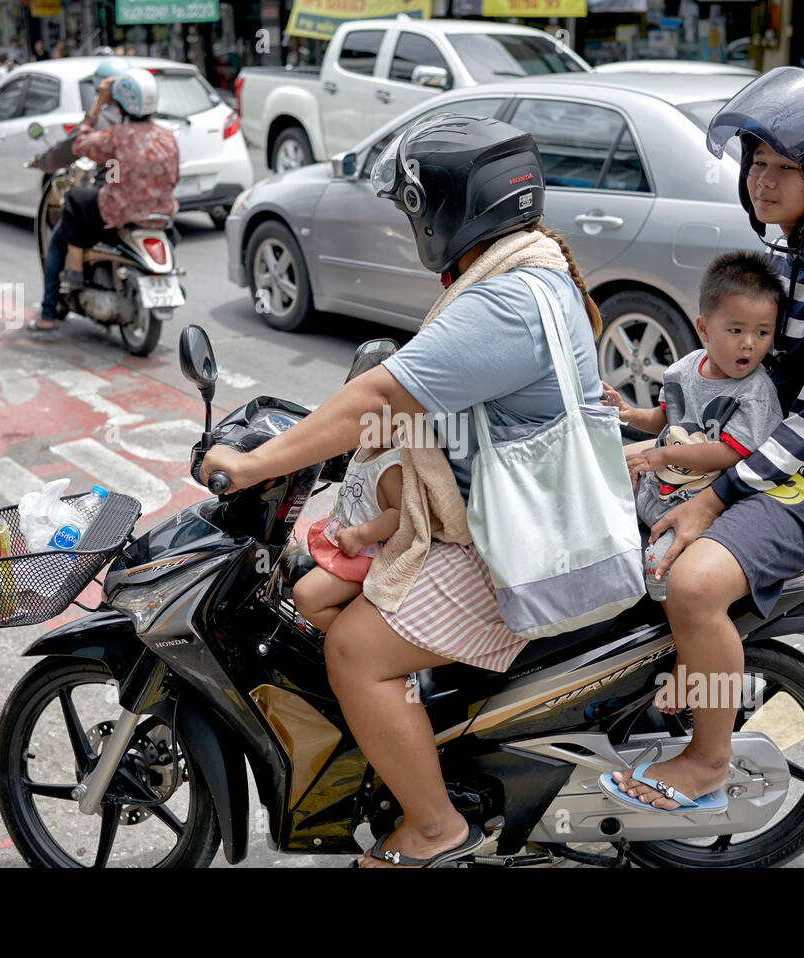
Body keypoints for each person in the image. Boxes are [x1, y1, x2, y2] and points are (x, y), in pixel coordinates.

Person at [200, 113, 607, 867]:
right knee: (321, 593)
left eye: (414, 208)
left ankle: (433, 828)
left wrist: (253, 466)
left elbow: (378, 400)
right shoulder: (529, 268)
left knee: (354, 651)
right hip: (514, 512)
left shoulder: (506, 301)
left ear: (449, 208)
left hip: (518, 542)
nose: (412, 224)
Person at [604, 66, 804, 812]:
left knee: (695, 581)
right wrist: (650, 420)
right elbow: (738, 373)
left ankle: (708, 766)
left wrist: (715, 495)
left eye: (783, 167)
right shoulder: (790, 262)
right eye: (756, 162)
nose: (760, 182)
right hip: (772, 458)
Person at [601, 251, 784, 604]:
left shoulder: (755, 393)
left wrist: (662, 454)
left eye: (762, 333)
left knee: (659, 569)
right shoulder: (685, 370)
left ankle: (666, 618)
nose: (749, 342)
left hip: (698, 507)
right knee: (599, 491)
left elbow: (729, 453)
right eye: (736, 330)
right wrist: (629, 414)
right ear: (704, 329)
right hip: (655, 488)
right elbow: (666, 418)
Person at [31, 66, 178, 334]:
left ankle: (60, 294)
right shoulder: (167, 136)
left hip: (117, 211)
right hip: (161, 212)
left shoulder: (114, 134)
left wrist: (98, 104)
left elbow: (78, 145)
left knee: (74, 200)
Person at [294, 350, 404, 632]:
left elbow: (398, 514)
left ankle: (343, 640)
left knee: (306, 596)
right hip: (343, 540)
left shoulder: (391, 465)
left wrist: (360, 535)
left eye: (379, 414)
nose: (366, 422)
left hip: (364, 554)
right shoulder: (367, 445)